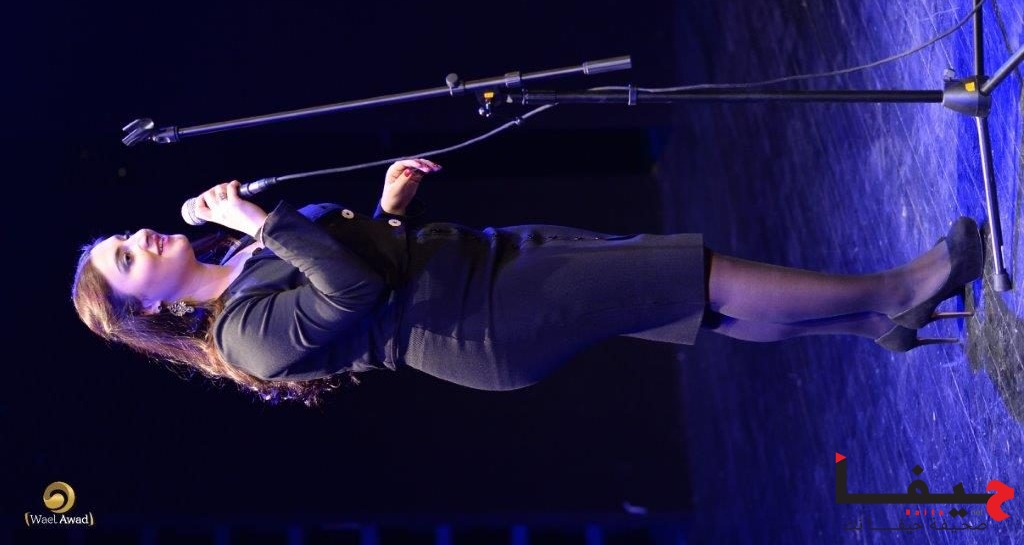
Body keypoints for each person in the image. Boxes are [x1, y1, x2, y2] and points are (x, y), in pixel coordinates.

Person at [71, 159, 984, 407]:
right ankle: (896, 290)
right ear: (153, 310)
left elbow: (364, 264)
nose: (139, 239)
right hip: (481, 323)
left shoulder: (242, 261)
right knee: (687, 276)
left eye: (123, 239)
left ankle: (870, 324)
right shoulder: (240, 339)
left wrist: (389, 208)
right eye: (127, 260)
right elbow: (354, 297)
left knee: (688, 301)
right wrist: (260, 219)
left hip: (481, 265)